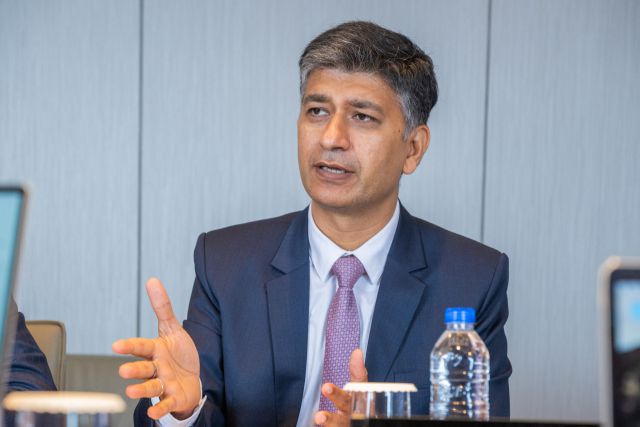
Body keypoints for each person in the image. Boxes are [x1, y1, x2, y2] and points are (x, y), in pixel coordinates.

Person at [113, 21, 512, 427]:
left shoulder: (472, 280)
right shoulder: (225, 263)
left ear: (413, 148)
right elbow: (185, 401)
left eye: (362, 116)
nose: (331, 138)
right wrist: (183, 412)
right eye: (317, 111)